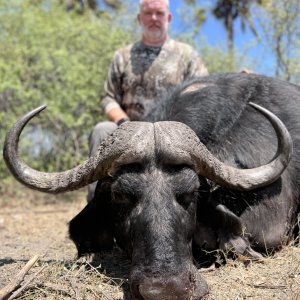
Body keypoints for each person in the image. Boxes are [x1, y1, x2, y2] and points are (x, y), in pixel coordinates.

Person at [87, 0, 208, 201]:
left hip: (173, 136)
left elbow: (203, 93)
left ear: (168, 18)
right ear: (139, 18)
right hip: (129, 132)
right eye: (148, 13)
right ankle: (97, 211)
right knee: (101, 130)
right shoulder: (122, 56)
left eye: (159, 13)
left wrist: (238, 79)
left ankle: (201, 212)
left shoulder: (187, 55)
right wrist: (125, 125)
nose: (153, 18)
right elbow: (109, 98)